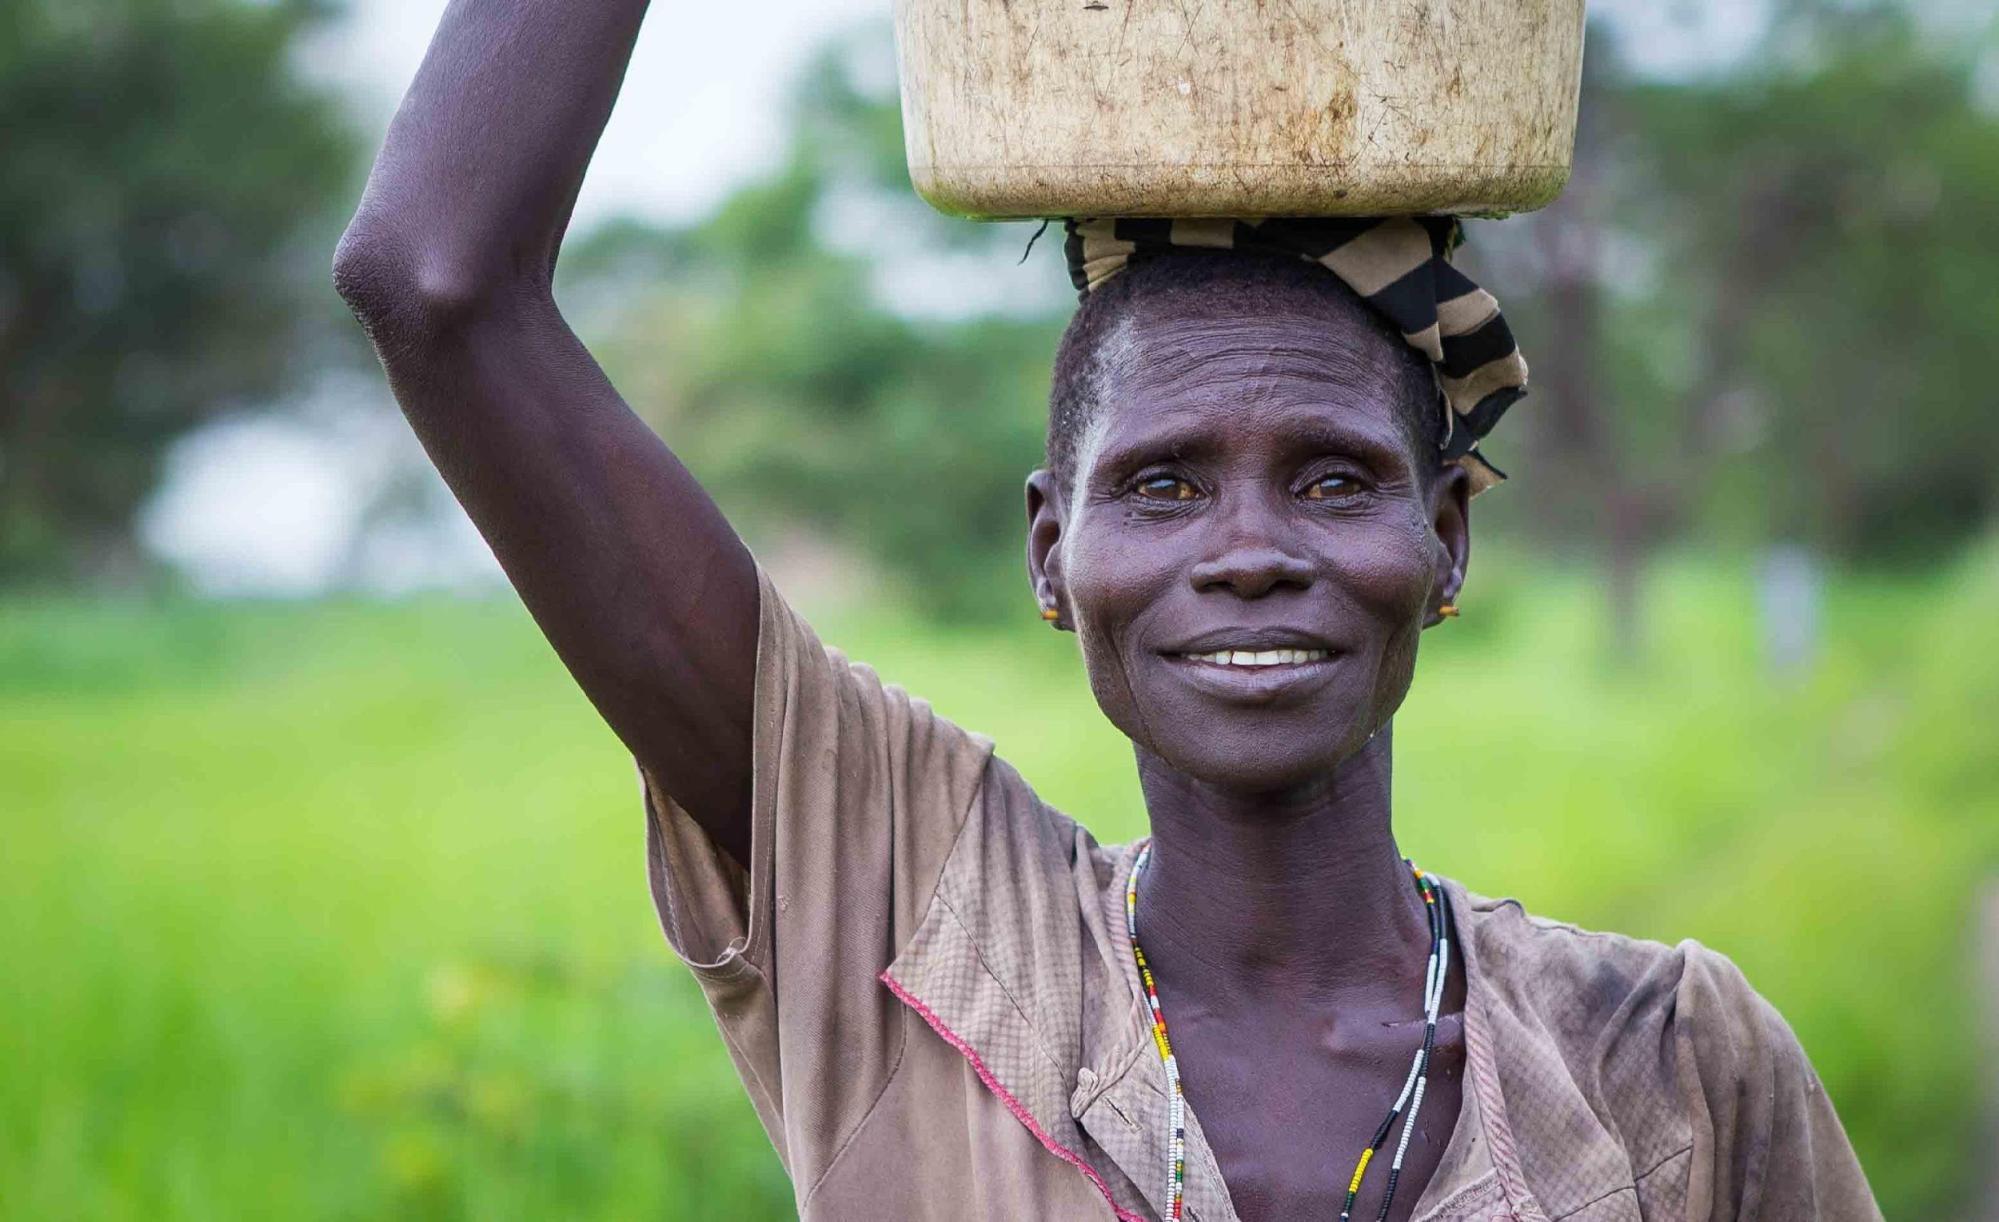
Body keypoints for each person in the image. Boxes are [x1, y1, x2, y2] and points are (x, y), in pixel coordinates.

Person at [331, 4, 1883, 1220]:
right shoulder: (905, 907)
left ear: (1449, 536)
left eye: (1338, 478)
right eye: (1162, 485)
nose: (1252, 549)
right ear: (1051, 555)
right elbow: (437, 281)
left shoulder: (1671, 1064)